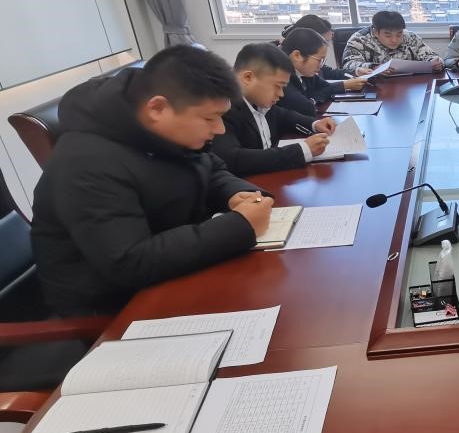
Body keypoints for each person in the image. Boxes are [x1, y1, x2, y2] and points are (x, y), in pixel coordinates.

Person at [31, 46, 276, 316]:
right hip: (115, 308)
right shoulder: (86, 164)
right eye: (210, 118)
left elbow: (209, 166)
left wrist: (233, 193)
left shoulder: (157, 127)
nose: (219, 129)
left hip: (171, 274)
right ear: (157, 108)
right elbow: (130, 262)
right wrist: (239, 226)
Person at [212, 43, 338, 177]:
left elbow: (283, 115)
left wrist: (315, 124)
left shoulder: (256, 99)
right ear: (248, 77)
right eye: (278, 86)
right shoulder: (222, 108)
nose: (281, 94)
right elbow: (233, 159)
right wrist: (303, 150)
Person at [281, 26, 365, 114]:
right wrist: (313, 99)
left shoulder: (305, 71)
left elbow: (326, 87)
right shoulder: (282, 78)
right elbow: (305, 107)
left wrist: (314, 98)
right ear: (297, 56)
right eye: (319, 60)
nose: (321, 66)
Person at [341, 10, 443, 75]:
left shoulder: (410, 37)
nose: (394, 40)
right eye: (388, 35)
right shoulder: (359, 40)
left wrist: (435, 63)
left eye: (399, 34)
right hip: (374, 86)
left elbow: (431, 56)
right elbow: (348, 65)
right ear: (376, 32)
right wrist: (374, 67)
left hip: (407, 86)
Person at [280, 14, 344, 81]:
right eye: (324, 41)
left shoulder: (307, 61)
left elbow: (327, 72)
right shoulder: (281, 72)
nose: (326, 46)